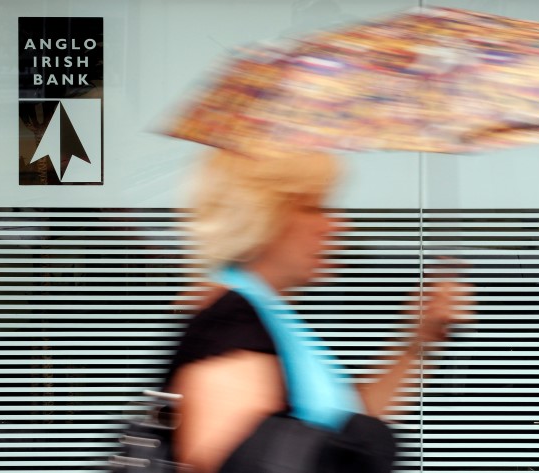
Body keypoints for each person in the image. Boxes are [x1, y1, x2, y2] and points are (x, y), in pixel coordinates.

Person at [164, 147, 468, 473]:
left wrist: (420, 341)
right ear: (263, 217)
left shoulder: (271, 316)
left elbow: (344, 420)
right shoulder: (230, 327)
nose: (337, 225)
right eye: (314, 207)